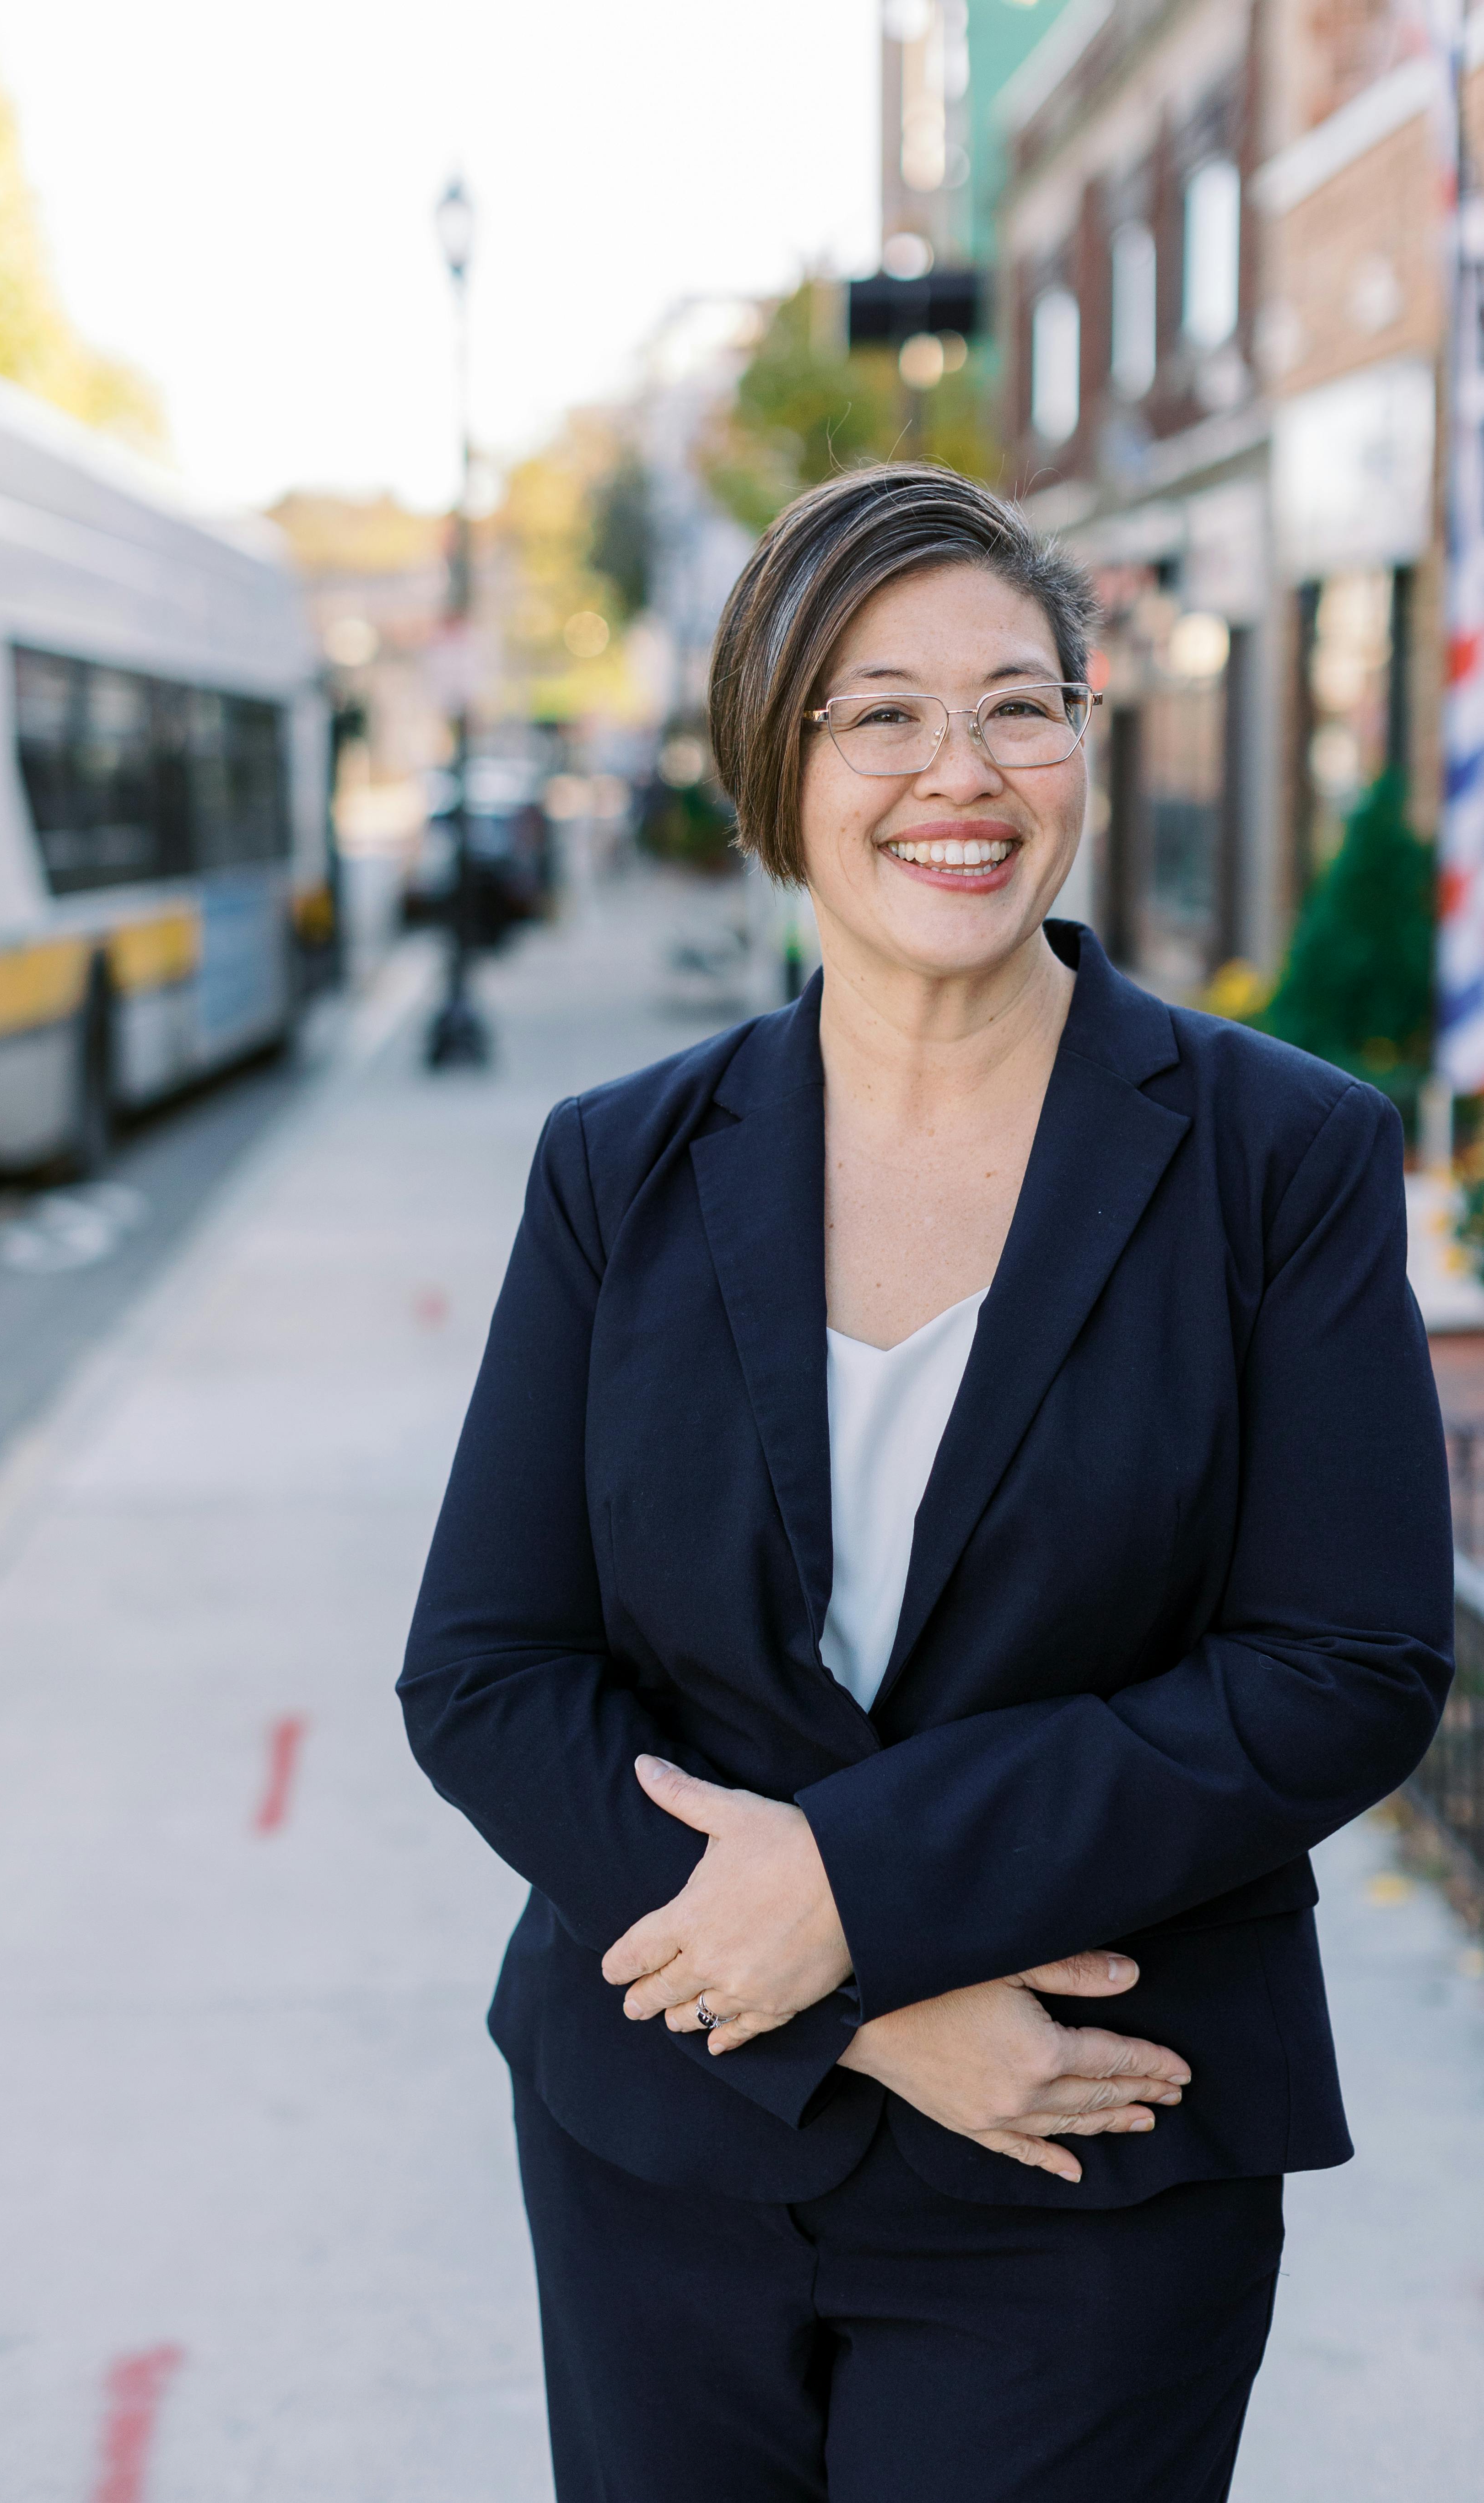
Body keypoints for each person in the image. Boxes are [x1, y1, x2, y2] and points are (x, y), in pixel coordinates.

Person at [399, 466, 1452, 2502]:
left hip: (1091, 2148)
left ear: (1081, 737)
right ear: (764, 769)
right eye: (876, 712)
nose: (955, 772)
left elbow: (1346, 1662)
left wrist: (858, 1894)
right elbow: (491, 1675)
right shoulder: (620, 1164)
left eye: (1016, 705)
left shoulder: (1280, 1156)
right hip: (665, 2151)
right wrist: (854, 2002)